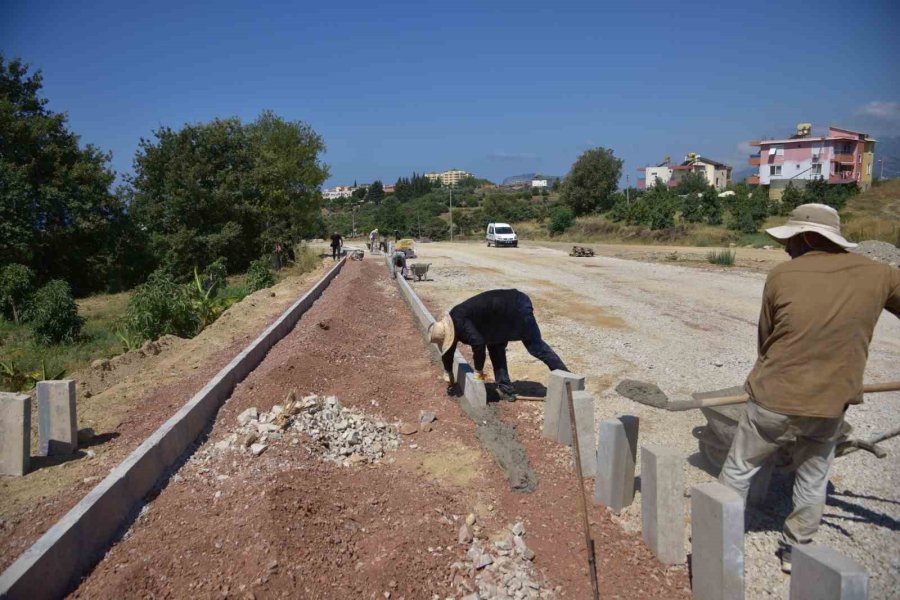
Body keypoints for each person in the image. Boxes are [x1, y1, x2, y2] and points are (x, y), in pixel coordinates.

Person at [718, 203, 900, 573]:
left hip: (772, 399)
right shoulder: (882, 275)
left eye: (789, 239)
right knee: (813, 477)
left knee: (739, 470)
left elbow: (766, 339)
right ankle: (795, 551)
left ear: (805, 237)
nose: (786, 248)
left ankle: (717, 538)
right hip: (829, 405)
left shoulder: (782, 276)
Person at [427, 289, 568, 401]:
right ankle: (506, 388)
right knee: (495, 347)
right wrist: (448, 373)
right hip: (498, 319)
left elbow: (478, 343)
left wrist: (478, 373)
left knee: (536, 347)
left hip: (517, 307)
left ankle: (569, 382)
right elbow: (449, 352)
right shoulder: (454, 320)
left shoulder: (460, 323)